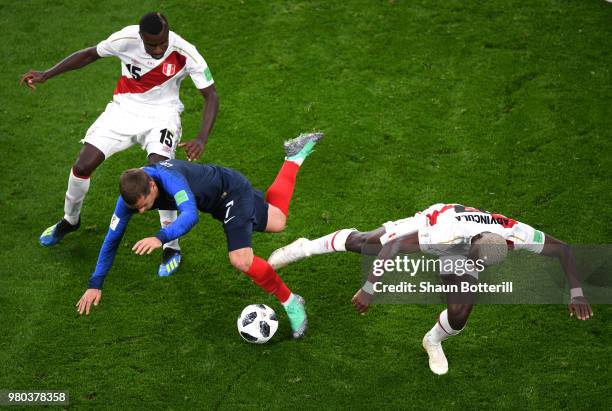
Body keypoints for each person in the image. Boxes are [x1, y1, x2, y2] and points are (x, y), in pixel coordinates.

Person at [268, 203, 593, 371]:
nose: (471, 265)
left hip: (461, 243)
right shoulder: (447, 234)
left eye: (477, 264)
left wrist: (576, 292)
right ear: (475, 242)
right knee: (368, 243)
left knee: (461, 312)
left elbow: (563, 249)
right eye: (474, 259)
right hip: (435, 223)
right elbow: (394, 249)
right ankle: (305, 247)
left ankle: (432, 341)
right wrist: (369, 288)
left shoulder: (516, 235)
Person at [20, 12, 219, 276]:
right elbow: (89, 54)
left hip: (163, 115)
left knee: (160, 174)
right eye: (152, 45)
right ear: (141, 37)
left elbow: (211, 96)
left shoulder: (185, 52)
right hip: (123, 109)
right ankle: (70, 220)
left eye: (163, 42)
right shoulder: (125, 39)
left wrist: (201, 138)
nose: (159, 49)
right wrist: (47, 74)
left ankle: (171, 243)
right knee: (82, 165)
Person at [75, 132, 323, 338]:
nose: (141, 212)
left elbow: (189, 215)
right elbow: (111, 240)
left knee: (241, 259)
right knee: (277, 220)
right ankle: (294, 156)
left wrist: (159, 237)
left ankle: (291, 303)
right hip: (215, 201)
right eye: (136, 208)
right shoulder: (130, 197)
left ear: (152, 185)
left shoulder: (169, 179)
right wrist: (95, 284)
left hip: (231, 192)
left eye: (144, 204)